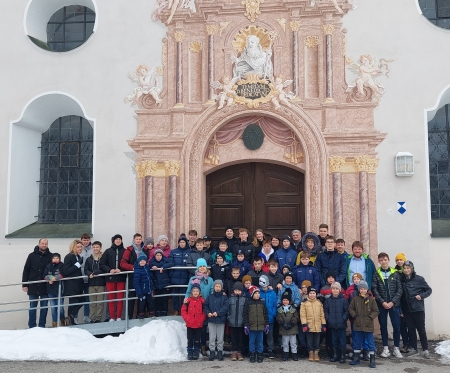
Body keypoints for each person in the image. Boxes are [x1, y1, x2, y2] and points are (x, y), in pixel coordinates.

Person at [372, 252, 403, 358]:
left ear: (388, 260)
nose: (383, 262)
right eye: (381, 260)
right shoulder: (376, 273)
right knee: (383, 326)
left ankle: (396, 348)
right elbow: (374, 289)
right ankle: (385, 348)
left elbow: (400, 289)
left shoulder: (395, 273)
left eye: (385, 260)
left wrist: (392, 302)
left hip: (394, 305)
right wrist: (382, 302)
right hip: (382, 305)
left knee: (396, 326)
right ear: (379, 262)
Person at [400, 261, 432, 359]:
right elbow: (401, 296)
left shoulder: (419, 279)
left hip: (418, 308)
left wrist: (421, 296)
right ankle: (414, 348)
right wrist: (401, 310)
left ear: (412, 269)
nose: (406, 270)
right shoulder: (401, 280)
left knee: (421, 329)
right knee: (411, 329)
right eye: (404, 268)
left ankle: (425, 349)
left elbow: (428, 290)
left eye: (408, 268)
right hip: (407, 309)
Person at [185, 258, 214, 355]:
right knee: (195, 327)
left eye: (203, 266)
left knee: (203, 327)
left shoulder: (209, 280)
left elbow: (211, 292)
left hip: (205, 306)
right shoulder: (193, 279)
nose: (202, 268)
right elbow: (189, 291)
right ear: (197, 268)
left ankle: (202, 346)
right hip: (194, 305)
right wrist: (186, 300)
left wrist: (211, 303)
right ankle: (193, 346)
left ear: (206, 268)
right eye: (200, 266)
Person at [22, 238, 52, 328]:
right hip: (33, 285)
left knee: (44, 307)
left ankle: (42, 325)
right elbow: (26, 270)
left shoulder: (50, 256)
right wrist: (24, 284)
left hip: (45, 285)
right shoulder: (31, 255)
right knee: (33, 307)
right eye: (42, 243)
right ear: (39, 244)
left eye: (46, 244)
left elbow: (53, 270)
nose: (44, 245)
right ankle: (32, 326)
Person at [348, 280, 379, 368]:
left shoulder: (371, 299)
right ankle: (356, 358)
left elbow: (376, 311)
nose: (363, 290)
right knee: (357, 342)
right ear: (359, 290)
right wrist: (355, 316)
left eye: (364, 289)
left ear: (367, 289)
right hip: (358, 324)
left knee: (370, 342)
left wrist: (370, 317)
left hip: (368, 324)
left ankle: (372, 360)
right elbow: (351, 309)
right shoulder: (355, 299)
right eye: (361, 289)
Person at [121, 233, 149, 319]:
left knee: (142, 295)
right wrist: (133, 267)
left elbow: (148, 261)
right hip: (133, 276)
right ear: (134, 240)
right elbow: (122, 263)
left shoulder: (145, 249)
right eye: (137, 239)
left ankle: (140, 315)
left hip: (143, 276)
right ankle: (129, 316)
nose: (138, 241)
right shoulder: (129, 250)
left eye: (140, 239)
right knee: (132, 296)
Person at [100, 234, 126, 322]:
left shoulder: (125, 251)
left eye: (120, 239)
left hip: (121, 278)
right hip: (110, 278)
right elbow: (102, 264)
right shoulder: (108, 251)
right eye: (116, 239)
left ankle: (118, 316)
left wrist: (121, 270)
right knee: (111, 299)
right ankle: (111, 317)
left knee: (120, 298)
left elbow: (128, 263)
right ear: (113, 241)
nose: (118, 241)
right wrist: (109, 270)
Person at [205, 279, 229, 361]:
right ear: (214, 287)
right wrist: (208, 312)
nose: (218, 288)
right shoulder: (210, 297)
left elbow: (225, 307)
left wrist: (218, 313)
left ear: (221, 287)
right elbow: (206, 306)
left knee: (220, 337)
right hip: (211, 320)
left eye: (219, 286)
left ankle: (220, 351)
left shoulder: (224, 297)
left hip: (221, 320)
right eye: (216, 286)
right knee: (212, 336)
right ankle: (212, 351)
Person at [325, 282, 349, 364]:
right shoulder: (328, 300)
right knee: (334, 340)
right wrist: (328, 319)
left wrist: (343, 319)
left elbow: (347, 311)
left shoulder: (344, 300)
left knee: (342, 340)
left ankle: (342, 356)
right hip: (332, 324)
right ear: (331, 290)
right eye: (333, 289)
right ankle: (335, 355)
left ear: (339, 290)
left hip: (341, 324)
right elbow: (326, 311)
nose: (335, 290)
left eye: (336, 289)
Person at [243, 286, 269, 363]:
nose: (257, 295)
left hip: (261, 326)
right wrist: (246, 325)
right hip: (252, 326)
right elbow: (245, 314)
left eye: (258, 293)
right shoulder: (248, 302)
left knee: (260, 341)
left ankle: (260, 354)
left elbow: (265, 314)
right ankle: (252, 354)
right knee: (252, 341)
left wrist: (266, 324)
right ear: (252, 294)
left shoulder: (262, 302)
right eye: (255, 293)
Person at [181, 280, 206, 360]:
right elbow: (183, 311)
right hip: (190, 324)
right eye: (194, 291)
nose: (195, 292)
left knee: (197, 339)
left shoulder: (202, 301)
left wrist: (201, 319)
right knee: (190, 339)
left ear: (199, 292)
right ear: (191, 292)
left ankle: (196, 351)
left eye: (197, 291)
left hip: (198, 324)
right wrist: (187, 319)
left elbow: (205, 311)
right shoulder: (188, 301)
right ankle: (190, 351)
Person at [300, 286, 326, 362]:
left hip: (317, 325)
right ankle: (311, 353)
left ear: (316, 294)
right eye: (310, 293)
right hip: (309, 325)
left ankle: (316, 353)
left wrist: (323, 324)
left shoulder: (319, 303)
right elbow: (302, 315)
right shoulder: (304, 303)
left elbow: (322, 315)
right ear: (308, 294)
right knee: (310, 341)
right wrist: (304, 324)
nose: (312, 295)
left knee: (317, 341)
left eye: (313, 293)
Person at [63, 240, 85, 326]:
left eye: (80, 247)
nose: (80, 248)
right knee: (72, 302)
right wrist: (77, 265)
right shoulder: (69, 257)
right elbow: (66, 271)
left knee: (82, 300)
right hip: (71, 284)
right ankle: (70, 320)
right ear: (73, 247)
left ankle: (70, 317)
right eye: (78, 247)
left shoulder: (79, 257)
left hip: (78, 284)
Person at [168, 236, 191, 315]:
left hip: (185, 277)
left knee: (184, 295)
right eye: (180, 242)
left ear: (186, 243)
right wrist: (171, 274)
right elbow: (170, 263)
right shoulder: (173, 252)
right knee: (175, 295)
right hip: (175, 277)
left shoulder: (189, 252)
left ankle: (183, 309)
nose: (182, 244)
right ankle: (176, 310)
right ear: (178, 243)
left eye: (183, 242)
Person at [84, 241, 105, 323]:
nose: (96, 249)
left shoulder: (103, 258)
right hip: (91, 283)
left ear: (100, 248)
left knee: (100, 302)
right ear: (92, 248)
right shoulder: (89, 259)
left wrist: (96, 272)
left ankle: (98, 318)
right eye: (94, 247)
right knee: (92, 303)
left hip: (100, 283)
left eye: (97, 247)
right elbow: (86, 269)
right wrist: (89, 274)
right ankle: (92, 318)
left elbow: (104, 268)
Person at [43, 253, 65, 327]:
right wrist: (49, 278)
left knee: (61, 308)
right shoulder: (48, 266)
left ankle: (62, 321)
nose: (55, 259)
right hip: (50, 290)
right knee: (53, 308)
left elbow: (63, 274)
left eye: (57, 258)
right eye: (54, 258)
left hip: (59, 290)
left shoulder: (62, 265)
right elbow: (44, 275)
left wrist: (55, 278)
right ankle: (54, 323)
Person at [277, 289, 299, 361]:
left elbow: (296, 317)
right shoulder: (280, 309)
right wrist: (282, 323)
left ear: (289, 301)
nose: (285, 301)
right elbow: (278, 317)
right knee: (285, 343)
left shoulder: (293, 308)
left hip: (292, 328)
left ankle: (294, 354)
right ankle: (285, 354)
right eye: (284, 300)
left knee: (293, 343)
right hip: (284, 328)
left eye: (287, 300)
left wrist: (292, 323)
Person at [258, 275, 277, 359]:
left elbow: (275, 305)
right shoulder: (258, 292)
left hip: (270, 317)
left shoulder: (272, 293)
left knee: (270, 335)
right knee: (260, 335)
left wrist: (273, 314)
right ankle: (260, 350)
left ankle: (270, 350)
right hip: (260, 318)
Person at [149, 248, 172, 316]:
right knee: (157, 299)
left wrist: (163, 267)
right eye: (157, 255)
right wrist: (152, 267)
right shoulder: (152, 262)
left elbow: (171, 263)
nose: (159, 257)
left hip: (164, 283)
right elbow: (148, 266)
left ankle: (164, 311)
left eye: (160, 255)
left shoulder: (165, 261)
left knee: (165, 299)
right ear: (155, 256)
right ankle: (158, 311)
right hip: (156, 283)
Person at [395, 252, 410, 353]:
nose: (399, 261)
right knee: (402, 324)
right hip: (399, 302)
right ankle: (405, 343)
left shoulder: (408, 271)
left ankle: (411, 344)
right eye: (398, 260)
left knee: (410, 324)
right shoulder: (394, 272)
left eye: (401, 260)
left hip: (408, 301)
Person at [228, 282, 246, 361]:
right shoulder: (230, 299)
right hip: (232, 322)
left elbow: (245, 311)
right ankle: (233, 352)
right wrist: (229, 317)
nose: (237, 292)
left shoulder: (244, 299)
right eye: (236, 290)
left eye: (239, 290)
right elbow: (228, 310)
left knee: (240, 338)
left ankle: (239, 352)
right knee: (233, 338)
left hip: (240, 322)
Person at [133, 252, 154, 319]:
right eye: (141, 261)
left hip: (148, 289)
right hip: (142, 290)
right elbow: (136, 282)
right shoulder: (137, 270)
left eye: (144, 260)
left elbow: (149, 276)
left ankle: (151, 313)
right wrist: (139, 293)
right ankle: (141, 314)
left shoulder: (147, 267)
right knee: (142, 303)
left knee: (150, 302)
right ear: (138, 261)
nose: (142, 262)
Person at [79, 233, 92, 323]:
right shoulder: (78, 249)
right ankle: (74, 317)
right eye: (84, 240)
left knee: (88, 298)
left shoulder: (93, 249)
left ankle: (86, 316)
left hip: (89, 278)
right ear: (81, 240)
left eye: (87, 240)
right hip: (79, 277)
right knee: (77, 298)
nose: (86, 242)